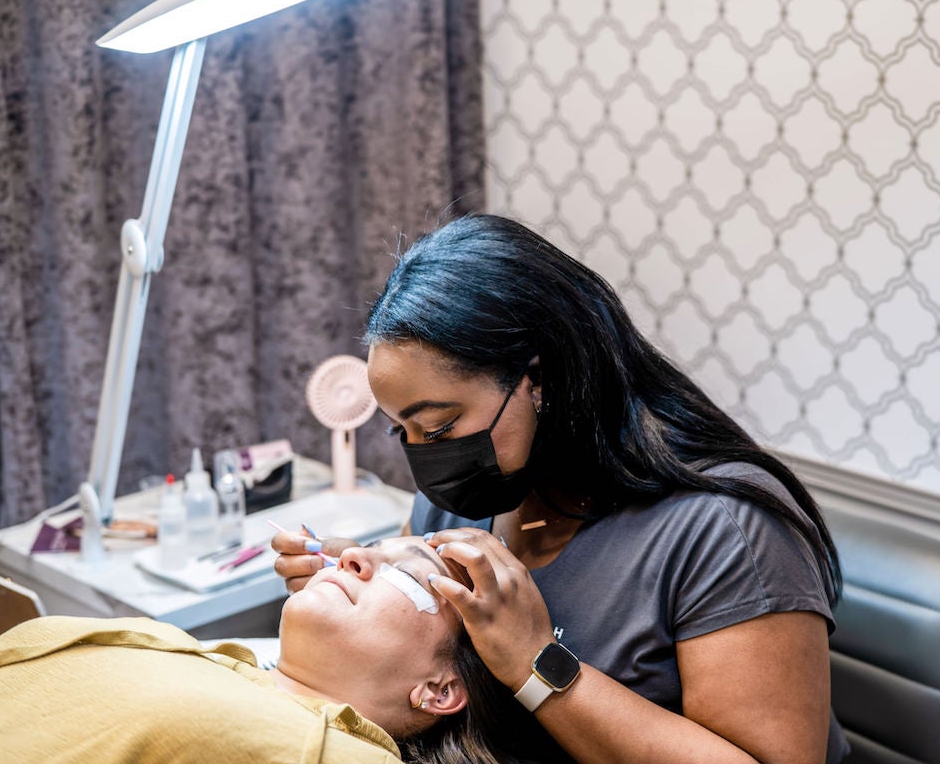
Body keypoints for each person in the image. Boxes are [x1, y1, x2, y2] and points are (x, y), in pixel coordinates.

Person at [274, 214, 850, 763]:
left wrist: (534, 661)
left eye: (441, 426)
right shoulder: (461, 500)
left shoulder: (723, 529)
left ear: (540, 379)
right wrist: (354, 590)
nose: (425, 456)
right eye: (403, 431)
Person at [0, 537, 528, 764]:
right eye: (370, 547)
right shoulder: (206, 659)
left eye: (406, 575)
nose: (351, 556)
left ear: (439, 690)